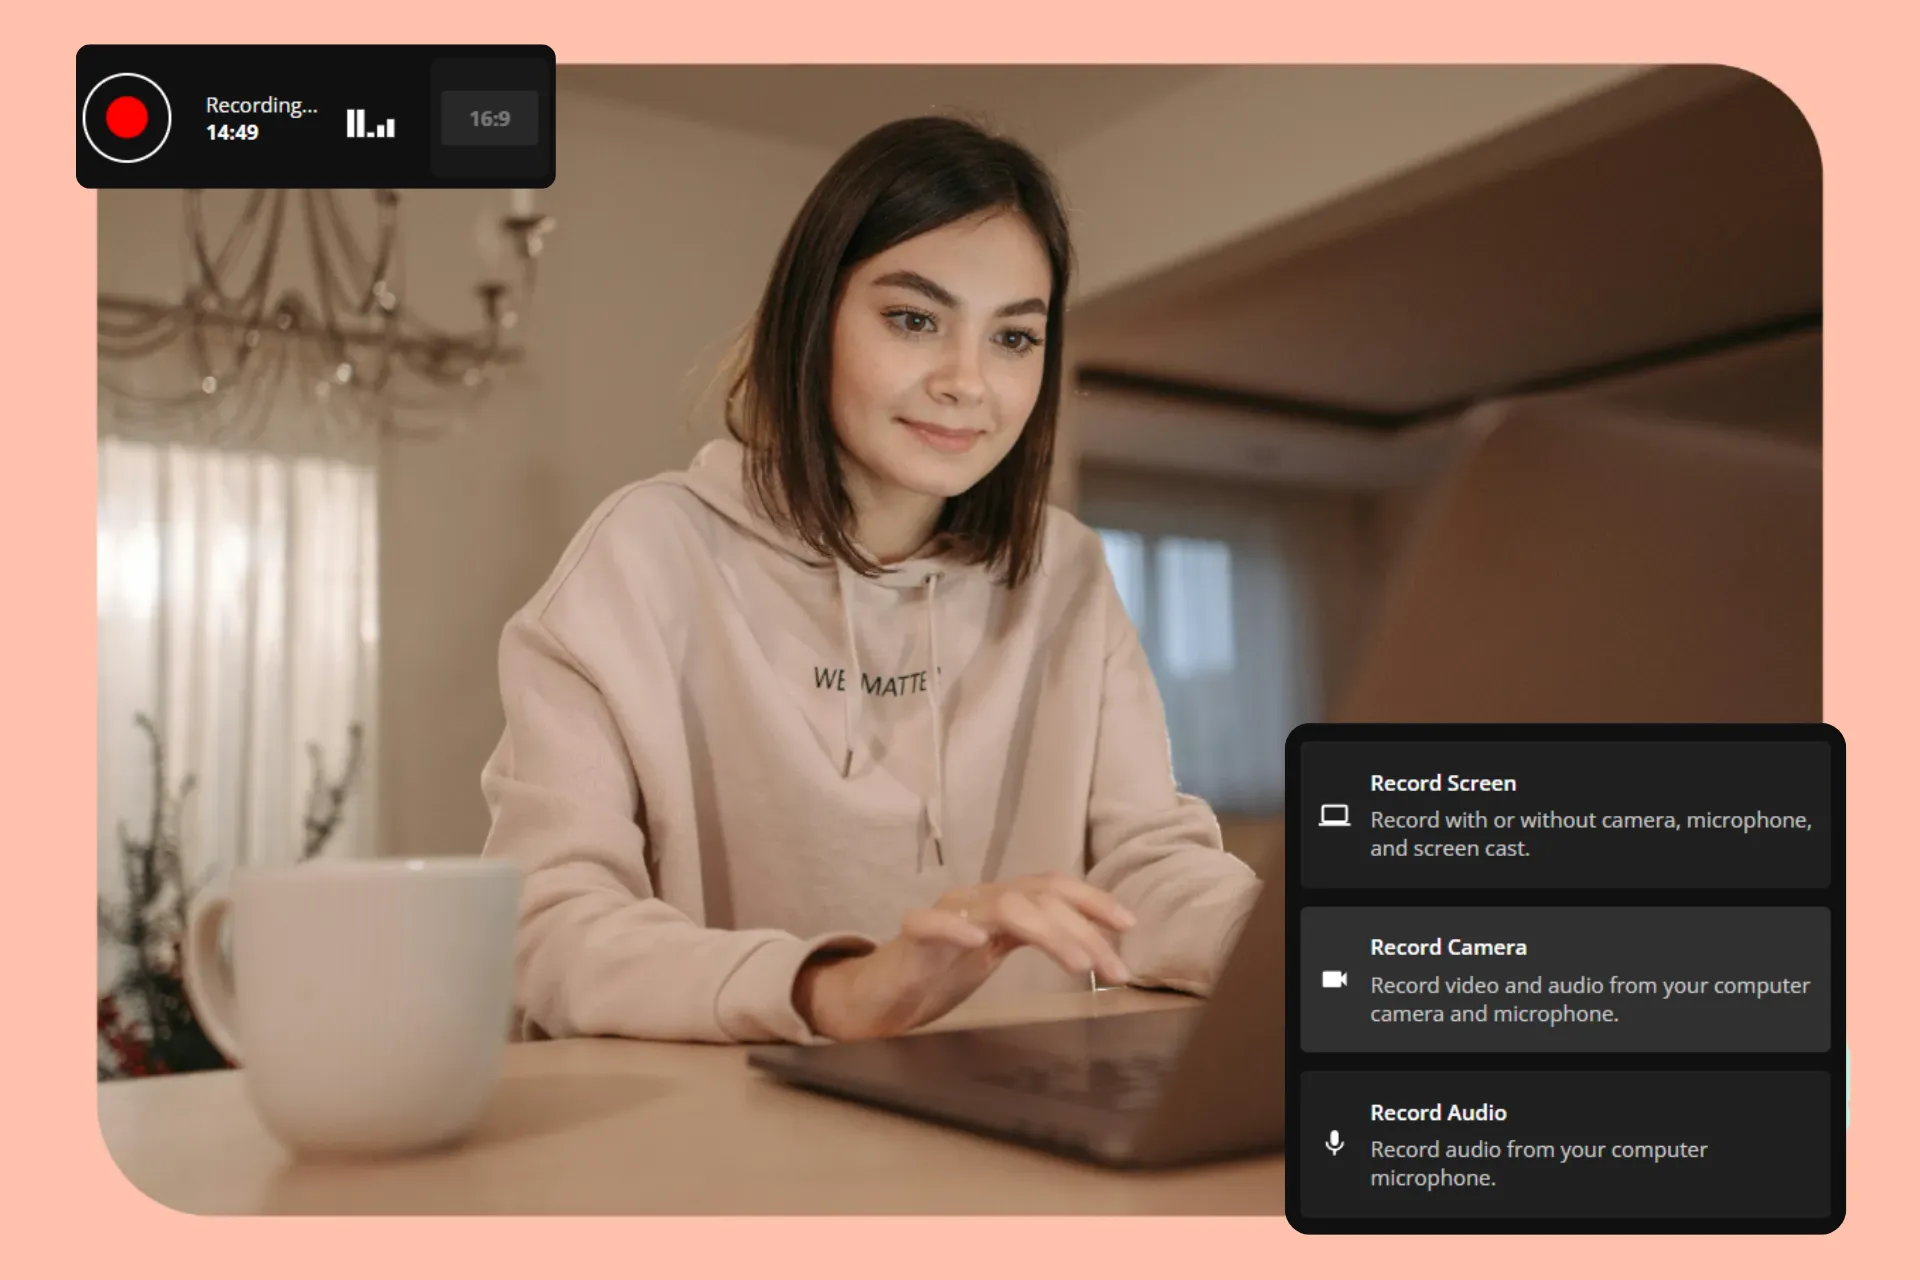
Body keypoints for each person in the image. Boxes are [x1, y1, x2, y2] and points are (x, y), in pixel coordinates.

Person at [480, 113, 1262, 1046]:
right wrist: (835, 991)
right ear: (812, 321)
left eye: (1015, 338)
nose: (967, 381)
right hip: (716, 1139)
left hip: (1009, 1132)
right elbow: (548, 925)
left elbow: (1148, 866)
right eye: (914, 319)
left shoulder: (1066, 574)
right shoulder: (641, 556)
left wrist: (1332, 948)